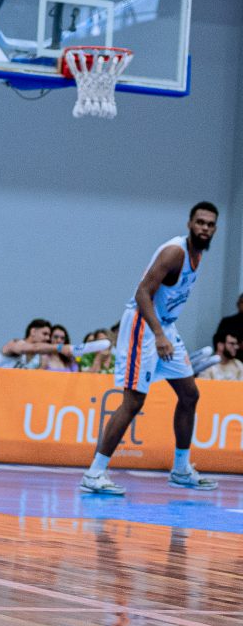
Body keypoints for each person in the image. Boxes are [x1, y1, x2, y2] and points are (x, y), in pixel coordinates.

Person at [80, 202, 220, 494]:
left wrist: (163, 332)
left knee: (190, 394)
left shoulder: (197, 255)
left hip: (165, 326)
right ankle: (94, 473)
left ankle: (181, 469)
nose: (205, 228)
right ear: (189, 224)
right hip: (142, 326)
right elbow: (142, 292)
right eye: (200, 222)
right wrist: (158, 334)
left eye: (210, 224)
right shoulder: (175, 253)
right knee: (133, 401)